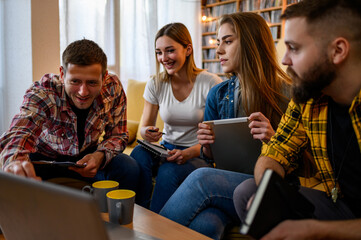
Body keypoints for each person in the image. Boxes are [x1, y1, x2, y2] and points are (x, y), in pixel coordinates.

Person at [233, 0, 361, 239]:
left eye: (294, 48)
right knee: (248, 192)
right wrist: (266, 197)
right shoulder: (308, 97)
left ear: (338, 51)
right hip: (340, 205)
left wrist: (316, 231)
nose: (284, 60)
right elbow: (275, 151)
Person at [160, 12, 292, 239]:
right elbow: (212, 158)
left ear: (252, 44)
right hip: (228, 184)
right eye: (218, 42)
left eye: (228, 42)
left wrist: (274, 138)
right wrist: (207, 145)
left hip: (267, 186)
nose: (219, 50)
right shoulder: (217, 94)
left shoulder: (287, 93)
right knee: (206, 224)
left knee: (202, 178)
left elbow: (305, 164)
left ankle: (146, 234)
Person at [0, 39, 140, 192]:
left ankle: (120, 214)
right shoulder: (44, 92)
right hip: (44, 161)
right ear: (62, 74)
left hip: (87, 158)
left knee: (129, 167)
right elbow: (21, 131)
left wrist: (99, 156)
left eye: (92, 83)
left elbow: (118, 135)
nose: (83, 92)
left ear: (104, 77)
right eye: (75, 81)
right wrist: (14, 162)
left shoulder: (113, 87)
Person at [130, 22, 222, 213]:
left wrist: (189, 152)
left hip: (198, 153)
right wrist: (148, 132)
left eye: (170, 51)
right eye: (159, 52)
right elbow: (143, 126)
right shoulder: (155, 83)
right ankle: (139, 213)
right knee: (138, 153)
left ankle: (155, 227)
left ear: (188, 49)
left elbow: (217, 139)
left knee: (168, 171)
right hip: (167, 149)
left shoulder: (210, 83)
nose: (163, 58)